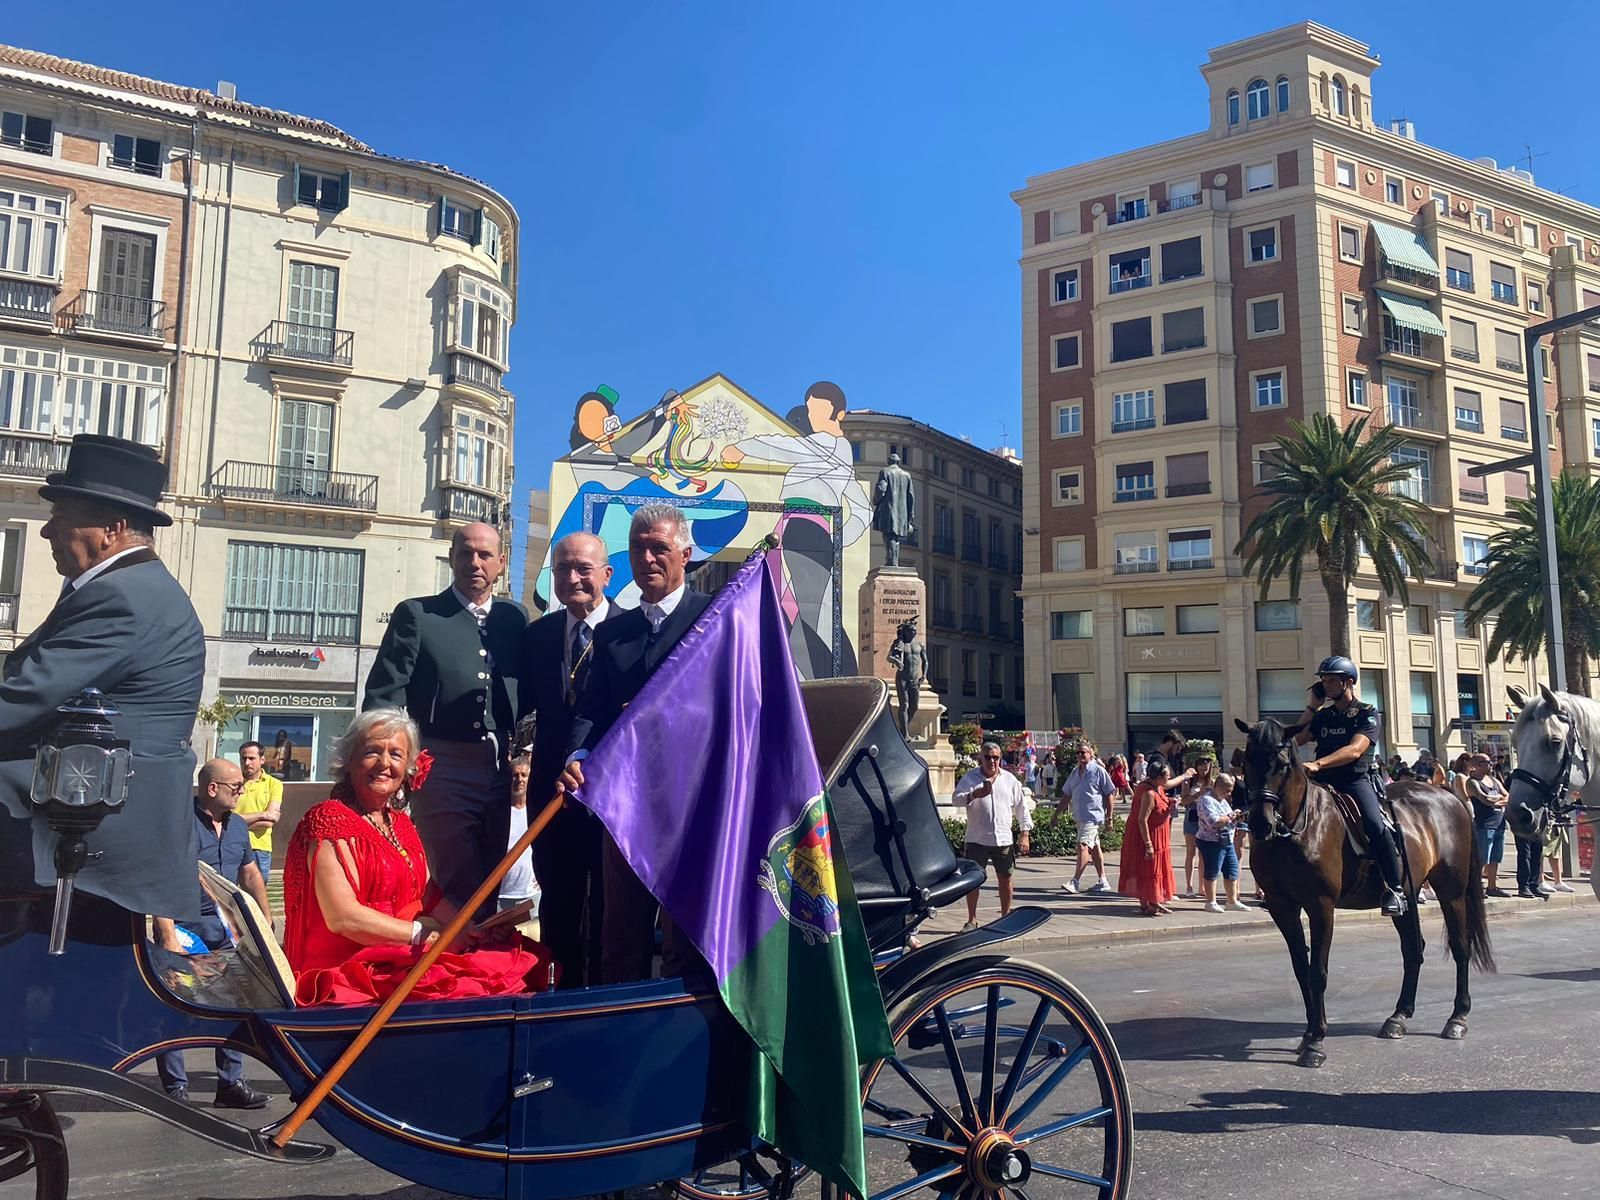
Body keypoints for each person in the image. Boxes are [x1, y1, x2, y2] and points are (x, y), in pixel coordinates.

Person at [0, 434, 205, 921]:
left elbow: (21, 701)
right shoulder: (125, 589)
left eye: (61, 518)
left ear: (111, 529)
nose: (48, 532)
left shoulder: (122, 599)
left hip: (93, 833)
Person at [283, 709, 552, 1005]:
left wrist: (470, 930)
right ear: (349, 760)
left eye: (396, 755)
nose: (384, 764)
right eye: (372, 752)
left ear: (408, 768)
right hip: (353, 969)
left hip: (401, 956)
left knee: (519, 955)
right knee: (473, 984)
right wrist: (425, 935)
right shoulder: (329, 818)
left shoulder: (400, 823)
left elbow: (430, 897)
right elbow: (343, 918)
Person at [560, 504, 714, 984]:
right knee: (619, 940)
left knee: (684, 944)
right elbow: (591, 708)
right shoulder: (612, 632)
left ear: (685, 554)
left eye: (659, 548)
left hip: (691, 810)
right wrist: (577, 754)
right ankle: (619, 1045)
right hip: (625, 808)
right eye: (637, 549)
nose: (647, 559)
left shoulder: (715, 619)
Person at [363, 521, 527, 917]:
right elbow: (384, 695)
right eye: (466, 553)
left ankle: (485, 968)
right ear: (451, 559)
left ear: (501, 563)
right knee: (456, 878)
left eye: (485, 554)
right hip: (441, 763)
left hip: (500, 765)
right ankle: (458, 966)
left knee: (492, 874)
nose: (475, 562)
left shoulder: (514, 618)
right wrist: (389, 764)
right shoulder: (419, 615)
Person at [518, 531, 619, 987]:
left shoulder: (631, 632)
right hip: (551, 800)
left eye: (583, 568)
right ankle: (560, 1003)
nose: (573, 578)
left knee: (610, 913)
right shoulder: (536, 637)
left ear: (606, 575)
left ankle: (604, 1003)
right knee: (558, 909)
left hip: (612, 805)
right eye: (563, 569)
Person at [153, 759, 272, 1108]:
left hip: (230, 930)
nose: (242, 790)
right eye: (236, 786)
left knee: (237, 1005)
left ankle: (230, 1085)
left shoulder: (237, 827)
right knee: (178, 1006)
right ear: (212, 789)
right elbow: (161, 879)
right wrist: (166, 932)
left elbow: (250, 873)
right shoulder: (179, 825)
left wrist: (263, 916)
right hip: (186, 928)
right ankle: (175, 1088)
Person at [1292, 656, 1407, 916]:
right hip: (1322, 781)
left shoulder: (1367, 712)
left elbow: (1355, 750)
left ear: (1349, 682)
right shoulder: (1324, 716)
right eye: (1323, 680)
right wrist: (1312, 707)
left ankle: (1395, 889)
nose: (1326, 684)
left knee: (1375, 824)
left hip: (1355, 779)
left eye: (1332, 680)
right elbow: (1296, 739)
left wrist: (1318, 764)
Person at [954, 741, 1032, 930]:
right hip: (976, 839)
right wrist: (975, 794)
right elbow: (955, 799)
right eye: (988, 757)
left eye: (996, 757)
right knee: (973, 880)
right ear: (981, 758)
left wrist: (1025, 833)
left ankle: (1005, 918)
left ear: (1000, 758)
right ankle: (972, 919)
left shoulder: (1009, 779)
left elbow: (1022, 808)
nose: (992, 761)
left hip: (1002, 838)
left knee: (1005, 878)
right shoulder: (970, 778)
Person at [1119, 755, 1180, 916]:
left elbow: (1162, 799)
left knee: (1155, 869)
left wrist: (1171, 801)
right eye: (1167, 776)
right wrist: (1148, 845)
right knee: (1149, 869)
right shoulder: (1148, 792)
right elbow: (1141, 820)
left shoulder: (1156, 787)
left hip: (1159, 834)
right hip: (1149, 835)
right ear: (1159, 777)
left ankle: (1155, 901)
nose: (1169, 778)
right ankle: (1147, 904)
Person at [1060, 743, 1114, 894]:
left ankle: (1075, 881)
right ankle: (1103, 880)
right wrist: (1056, 814)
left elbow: (1109, 793)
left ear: (1090, 754)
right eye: (1077, 753)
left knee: (1083, 846)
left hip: (1092, 816)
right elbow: (1067, 794)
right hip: (1080, 816)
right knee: (1095, 848)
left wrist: (1109, 817)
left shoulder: (1098, 771)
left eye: (1083, 753)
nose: (1080, 756)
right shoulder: (1075, 772)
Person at [1196, 771, 1247, 912]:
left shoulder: (1223, 801)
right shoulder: (1206, 800)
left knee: (1232, 870)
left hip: (1226, 840)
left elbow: (1227, 818)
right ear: (1219, 786)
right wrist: (1231, 816)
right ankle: (1210, 901)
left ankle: (1231, 901)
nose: (1229, 793)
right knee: (1212, 871)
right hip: (1211, 841)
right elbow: (1214, 821)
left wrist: (1236, 818)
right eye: (1227, 790)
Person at [498, 755, 540, 916]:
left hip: (530, 894)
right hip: (501, 895)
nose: (519, 779)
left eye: (524, 775)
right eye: (515, 775)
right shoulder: (500, 813)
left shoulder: (536, 813)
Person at [235, 741, 282, 884]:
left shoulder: (274, 784)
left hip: (259, 848)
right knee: (231, 895)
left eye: (251, 758)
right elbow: (225, 818)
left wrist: (235, 824)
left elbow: (269, 821)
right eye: (243, 758)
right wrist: (262, 814)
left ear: (262, 760)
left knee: (256, 896)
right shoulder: (233, 783)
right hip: (233, 845)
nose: (247, 762)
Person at [1463, 753, 1509, 897]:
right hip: (1484, 824)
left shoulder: (1493, 779)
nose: (1491, 764)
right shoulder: (1472, 782)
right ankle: (1476, 887)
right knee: (1483, 857)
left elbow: (1508, 795)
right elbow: (1484, 799)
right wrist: (1499, 800)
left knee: (1496, 857)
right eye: (1487, 762)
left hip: (1500, 823)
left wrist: (1498, 800)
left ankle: (1492, 886)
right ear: (1477, 765)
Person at [1179, 752, 1217, 898]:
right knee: (1190, 852)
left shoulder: (1212, 782)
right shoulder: (1189, 781)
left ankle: (1202, 886)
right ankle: (1189, 885)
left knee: (1203, 854)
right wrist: (1198, 794)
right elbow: (1184, 801)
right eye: (1201, 769)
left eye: (1206, 769)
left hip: (1206, 818)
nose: (1204, 771)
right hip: (1192, 815)